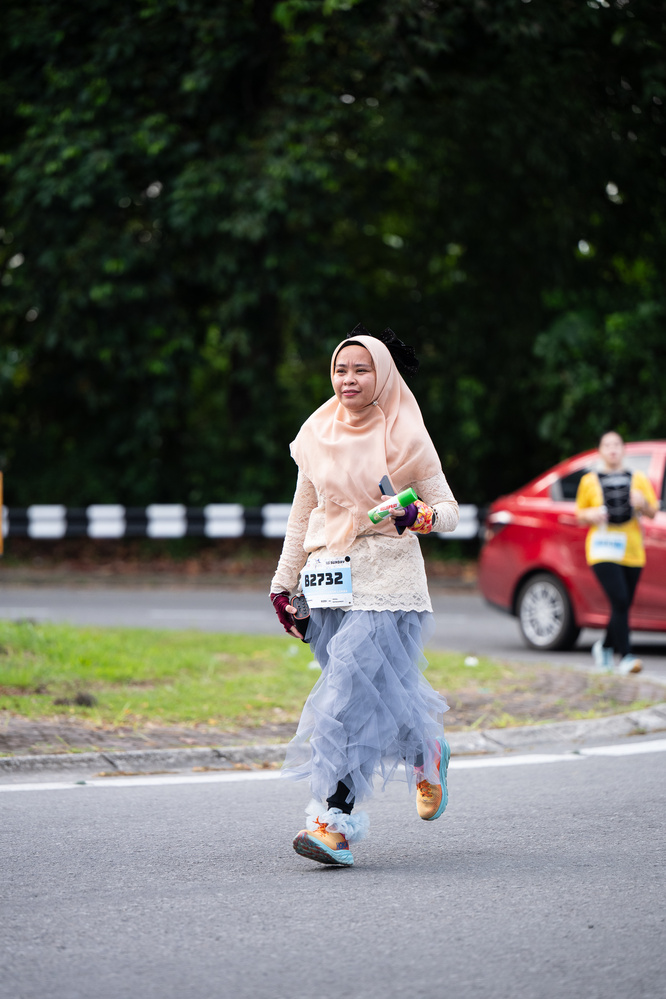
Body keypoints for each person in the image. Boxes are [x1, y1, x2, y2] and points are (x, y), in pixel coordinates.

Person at [270, 325, 459, 867]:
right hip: (329, 581)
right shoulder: (316, 432)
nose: (348, 379)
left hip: (389, 584)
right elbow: (302, 517)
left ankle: (333, 824)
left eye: (361, 369)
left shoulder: (407, 434)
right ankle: (425, 750)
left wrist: (415, 515)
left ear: (383, 375)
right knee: (376, 695)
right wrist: (282, 585)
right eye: (340, 369)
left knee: (346, 700)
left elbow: (448, 512)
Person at [575, 431, 658, 675]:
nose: (612, 449)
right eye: (607, 445)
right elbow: (579, 514)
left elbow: (653, 512)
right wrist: (591, 514)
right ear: (600, 451)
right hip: (602, 549)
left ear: (623, 449)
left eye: (616, 445)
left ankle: (605, 647)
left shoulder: (638, 478)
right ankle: (627, 656)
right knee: (620, 599)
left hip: (632, 549)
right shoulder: (589, 480)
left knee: (622, 604)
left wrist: (642, 503)